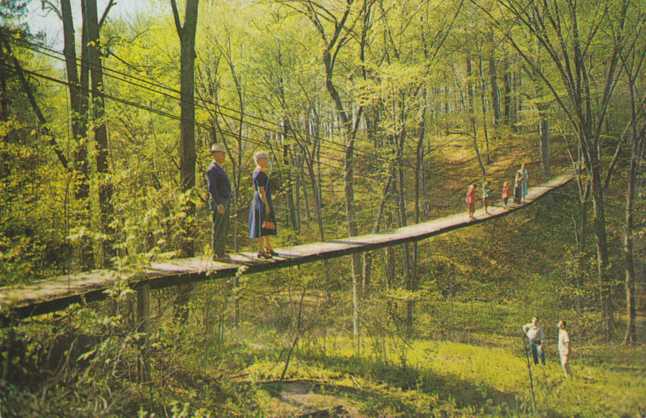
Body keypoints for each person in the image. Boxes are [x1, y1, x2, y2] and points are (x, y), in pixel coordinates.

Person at [248, 151, 277, 259]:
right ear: (259, 160)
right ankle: (261, 250)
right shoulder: (260, 173)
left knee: (266, 224)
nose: (267, 160)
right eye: (265, 158)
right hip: (261, 201)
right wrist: (266, 205)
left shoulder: (256, 171)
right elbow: (261, 191)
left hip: (258, 200)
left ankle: (268, 247)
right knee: (262, 224)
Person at [205, 144, 231, 260]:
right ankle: (217, 254)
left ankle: (221, 252)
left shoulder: (219, 167)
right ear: (215, 154)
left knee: (223, 227)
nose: (224, 155)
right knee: (219, 227)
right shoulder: (212, 169)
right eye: (222, 153)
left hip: (224, 200)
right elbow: (212, 188)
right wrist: (219, 203)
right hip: (219, 202)